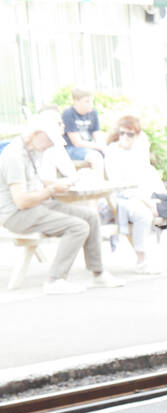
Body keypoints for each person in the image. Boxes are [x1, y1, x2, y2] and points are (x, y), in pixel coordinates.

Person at [0, 112, 123, 294]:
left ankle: (98, 274)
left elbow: (36, 183)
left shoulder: (33, 149)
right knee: (78, 227)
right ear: (36, 133)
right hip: (16, 215)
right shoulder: (14, 156)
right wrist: (51, 190)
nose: (50, 145)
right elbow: (21, 201)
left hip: (36, 206)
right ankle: (55, 280)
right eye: (49, 140)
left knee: (90, 216)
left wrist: (61, 184)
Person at [103, 115, 167, 272]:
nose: (125, 137)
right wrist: (148, 202)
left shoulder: (138, 151)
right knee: (144, 215)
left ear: (137, 136)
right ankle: (141, 260)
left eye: (130, 134)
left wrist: (160, 198)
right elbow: (120, 185)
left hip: (146, 195)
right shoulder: (112, 152)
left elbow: (148, 175)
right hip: (124, 198)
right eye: (122, 133)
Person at [61, 88, 105, 171]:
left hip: (89, 146)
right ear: (76, 101)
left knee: (111, 153)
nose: (91, 104)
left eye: (92, 101)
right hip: (72, 149)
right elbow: (77, 142)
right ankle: (99, 182)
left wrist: (103, 146)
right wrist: (98, 147)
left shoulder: (93, 113)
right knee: (96, 157)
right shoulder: (68, 114)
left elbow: (97, 133)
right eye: (87, 101)